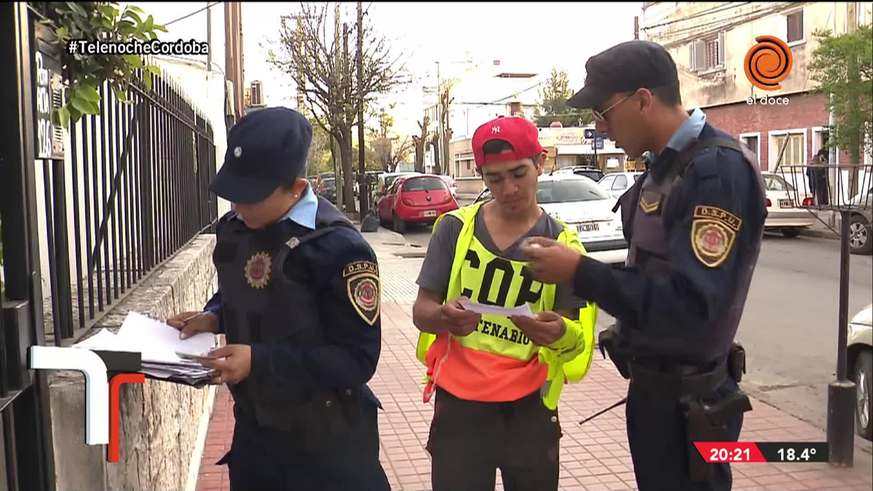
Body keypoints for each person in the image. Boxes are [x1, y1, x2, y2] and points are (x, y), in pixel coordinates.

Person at [521, 40, 767, 491]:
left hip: (691, 405)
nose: (601, 126)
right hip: (656, 396)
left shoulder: (715, 172)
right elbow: (650, 277)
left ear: (642, 100)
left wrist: (579, 271)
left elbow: (692, 305)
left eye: (604, 111)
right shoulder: (665, 168)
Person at [166, 107, 389, 491]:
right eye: (233, 195)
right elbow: (243, 290)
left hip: (329, 448)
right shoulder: (237, 230)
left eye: (251, 197)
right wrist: (214, 315)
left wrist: (260, 362)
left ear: (297, 188)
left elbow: (358, 359)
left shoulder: (340, 249)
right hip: (257, 438)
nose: (238, 207)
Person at [412, 116, 598, 491]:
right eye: (494, 179)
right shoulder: (454, 228)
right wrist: (444, 319)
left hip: (530, 408)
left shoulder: (562, 245)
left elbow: (575, 340)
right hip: (460, 408)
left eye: (518, 173)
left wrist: (557, 331)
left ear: (540, 162)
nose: (509, 188)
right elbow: (422, 311)